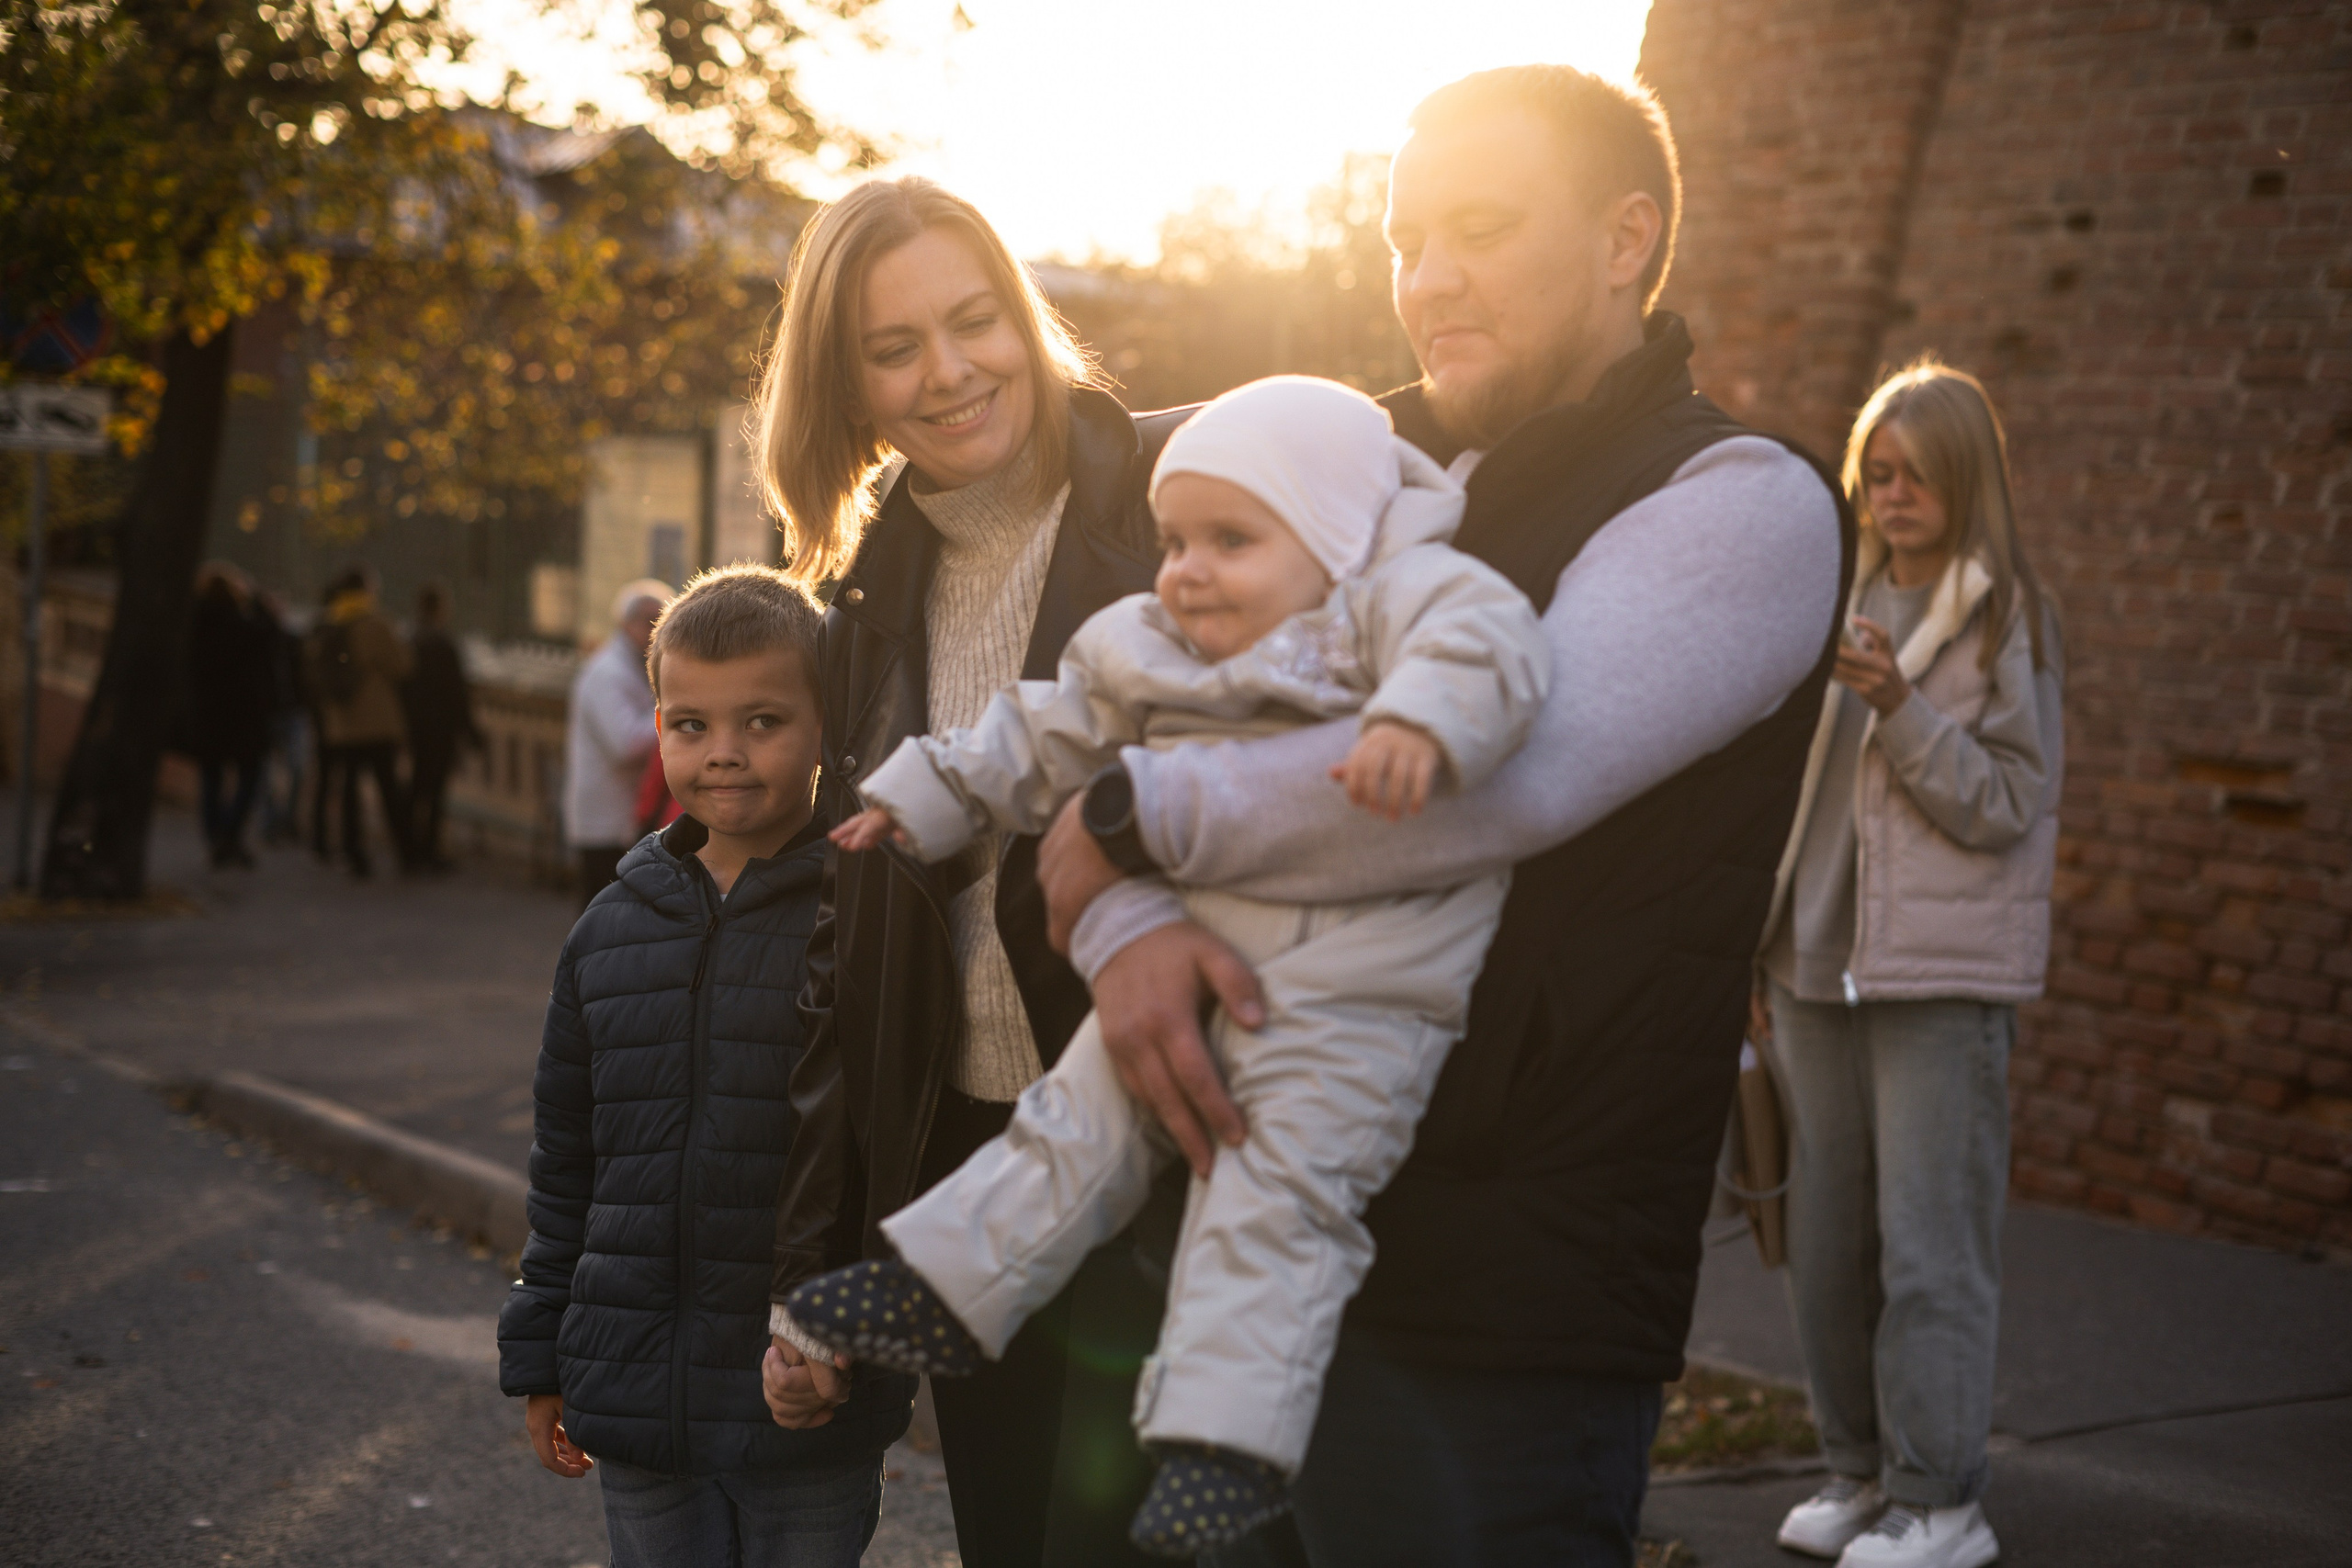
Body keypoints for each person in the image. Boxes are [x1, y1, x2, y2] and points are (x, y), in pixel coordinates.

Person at [1031, 67, 1852, 1567]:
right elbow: (1109, 704)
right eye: (1406, 238)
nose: (1427, 279)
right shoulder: (1340, 455)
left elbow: (1496, 781)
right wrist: (1130, 911)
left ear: (1626, 240)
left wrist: (1131, 822)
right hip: (1209, 1248)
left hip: (1490, 1313)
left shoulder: (1748, 499)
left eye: (1478, 229)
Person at [781, 376, 1547, 1557]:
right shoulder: (1153, 639)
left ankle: (1224, 1454)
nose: (1187, 569)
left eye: (1231, 540)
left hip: (1358, 999)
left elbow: (1490, 650)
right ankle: (932, 1290)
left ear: (1335, 537)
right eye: (1176, 539)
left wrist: (1423, 723)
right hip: (1193, 966)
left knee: (1272, 1205)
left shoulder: (1403, 605)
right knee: (1069, 1122)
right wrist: (920, 794)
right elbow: (1040, 728)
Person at [752, 175, 1184, 1568]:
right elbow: (849, 970)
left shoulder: (1176, 510)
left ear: (1025, 317)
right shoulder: (862, 611)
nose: (948, 372)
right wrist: (810, 1273)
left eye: (975, 319)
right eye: (894, 347)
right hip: (966, 1156)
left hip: (1156, 1142)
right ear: (850, 383)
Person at [498, 564, 914, 1567]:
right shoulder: (609, 928)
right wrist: (542, 1351)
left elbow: (893, 1166)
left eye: (762, 722)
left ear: (827, 725)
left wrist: (846, 1346)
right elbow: (567, 1167)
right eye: (689, 726)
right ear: (656, 723)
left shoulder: (868, 916)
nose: (722, 755)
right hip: (632, 1389)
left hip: (805, 1396)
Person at [1753, 363, 2062, 1568]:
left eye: (1915, 474)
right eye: (1876, 473)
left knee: (1931, 1241)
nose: (1891, 494)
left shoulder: (2004, 611)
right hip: (1809, 961)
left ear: (1963, 474)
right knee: (1829, 1239)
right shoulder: (1836, 590)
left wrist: (1900, 705)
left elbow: (2010, 801)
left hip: (1935, 978)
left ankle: (1944, 1502)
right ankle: (1858, 1473)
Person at [563, 579, 670, 906]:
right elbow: (625, 744)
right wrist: (673, 720)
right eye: (648, 621)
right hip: (604, 821)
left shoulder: (633, 666)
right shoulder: (607, 673)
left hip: (622, 815)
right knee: (601, 912)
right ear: (626, 623)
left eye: (661, 621)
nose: (655, 630)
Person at [305, 564, 415, 878]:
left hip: (342, 724)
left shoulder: (327, 623)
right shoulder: (374, 624)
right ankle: (406, 852)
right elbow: (403, 665)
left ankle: (356, 856)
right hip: (377, 722)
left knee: (349, 789)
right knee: (389, 789)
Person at [186, 562, 277, 869]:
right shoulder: (243, 625)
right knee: (250, 776)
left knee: (211, 779)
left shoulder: (194, 626)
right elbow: (272, 642)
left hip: (208, 716)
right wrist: (262, 606)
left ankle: (216, 837)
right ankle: (231, 833)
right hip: (243, 717)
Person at [401, 581, 482, 871]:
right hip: (440, 729)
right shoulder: (443, 643)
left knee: (418, 787)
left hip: (417, 726)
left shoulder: (411, 639)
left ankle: (410, 848)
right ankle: (429, 849)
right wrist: (470, 731)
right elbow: (456, 693)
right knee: (434, 791)